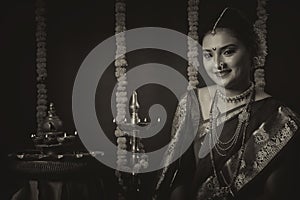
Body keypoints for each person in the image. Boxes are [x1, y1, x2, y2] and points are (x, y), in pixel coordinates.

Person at [153, 7, 300, 200]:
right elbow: (178, 177)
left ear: (252, 52)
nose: (217, 63)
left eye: (228, 52)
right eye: (208, 54)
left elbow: (276, 193)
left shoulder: (280, 119)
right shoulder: (191, 103)